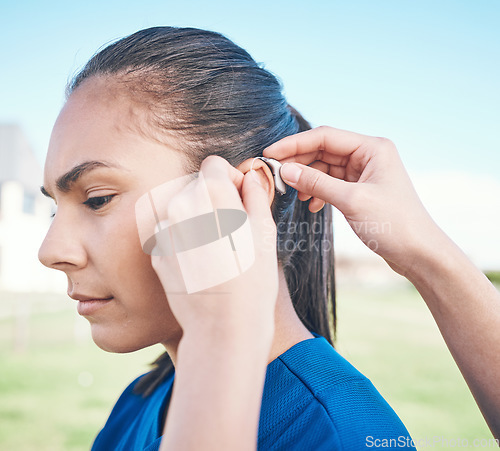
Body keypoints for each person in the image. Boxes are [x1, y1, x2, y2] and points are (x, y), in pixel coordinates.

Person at [38, 26, 420, 450]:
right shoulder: (137, 403)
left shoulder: (344, 435)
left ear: (244, 191)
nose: (51, 251)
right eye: (55, 206)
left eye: (97, 199)